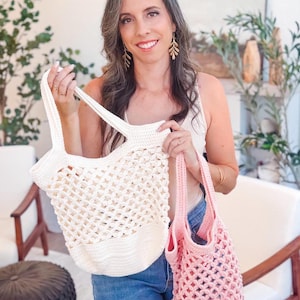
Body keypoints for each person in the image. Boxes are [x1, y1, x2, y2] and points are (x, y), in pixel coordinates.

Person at [47, 0, 239, 299]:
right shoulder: (99, 94)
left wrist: (193, 161)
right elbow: (81, 188)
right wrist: (67, 115)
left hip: (195, 238)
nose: (141, 29)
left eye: (152, 13)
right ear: (118, 31)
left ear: (173, 22)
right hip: (122, 248)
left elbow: (229, 180)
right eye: (127, 20)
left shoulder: (207, 90)